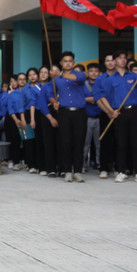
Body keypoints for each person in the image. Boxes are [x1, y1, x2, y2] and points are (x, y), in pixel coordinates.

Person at [97, 52, 137, 183]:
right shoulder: (109, 79)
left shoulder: (133, 76)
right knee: (121, 143)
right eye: (120, 58)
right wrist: (110, 110)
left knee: (136, 143)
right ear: (114, 61)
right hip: (120, 112)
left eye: (125, 58)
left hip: (134, 111)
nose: (123, 60)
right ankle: (121, 171)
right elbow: (102, 96)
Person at [52, 52, 89, 182]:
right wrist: (54, 102)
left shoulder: (79, 74)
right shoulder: (55, 79)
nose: (68, 63)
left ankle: (78, 171)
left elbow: (78, 80)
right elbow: (51, 94)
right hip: (64, 112)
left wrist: (60, 74)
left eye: (70, 61)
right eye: (65, 61)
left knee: (79, 141)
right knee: (66, 142)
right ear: (61, 63)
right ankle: (67, 170)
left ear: (73, 63)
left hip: (79, 112)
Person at [2, 75, 26, 171]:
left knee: (25, 140)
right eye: (12, 81)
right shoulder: (10, 93)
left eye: (15, 81)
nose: (14, 83)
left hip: (24, 116)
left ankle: (24, 160)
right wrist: (16, 120)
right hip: (12, 117)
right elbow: (7, 105)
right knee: (14, 140)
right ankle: (14, 161)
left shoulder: (27, 91)